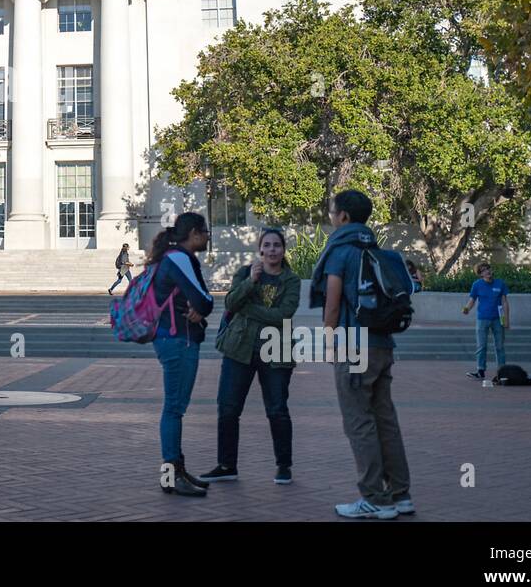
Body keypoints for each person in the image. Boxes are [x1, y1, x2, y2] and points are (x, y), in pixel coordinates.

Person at [314, 189, 414, 519]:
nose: (331, 218)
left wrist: (327, 343)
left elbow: (332, 304)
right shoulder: (375, 250)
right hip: (383, 345)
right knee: (385, 419)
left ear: (343, 216)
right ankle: (400, 495)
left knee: (359, 422)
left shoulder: (341, 252)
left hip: (353, 346)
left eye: (332, 212)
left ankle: (375, 497)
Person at [202, 227, 300, 485]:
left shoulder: (291, 281)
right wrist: (250, 282)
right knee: (228, 408)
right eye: (267, 245)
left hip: (276, 350)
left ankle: (284, 465)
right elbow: (231, 303)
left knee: (277, 410)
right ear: (260, 249)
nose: (271, 250)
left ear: (283, 249)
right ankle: (226, 465)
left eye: (276, 245)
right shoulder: (246, 273)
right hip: (239, 348)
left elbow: (283, 315)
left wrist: (249, 309)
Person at [147, 212, 215, 497]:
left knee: (175, 408)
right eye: (205, 232)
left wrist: (200, 308)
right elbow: (204, 299)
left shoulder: (174, 257)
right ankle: (171, 475)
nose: (208, 237)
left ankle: (177, 471)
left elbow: (196, 300)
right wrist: (203, 307)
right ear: (194, 234)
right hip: (178, 341)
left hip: (176, 339)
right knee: (174, 408)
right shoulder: (178, 258)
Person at [463, 262, 510, 379]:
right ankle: (480, 370)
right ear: (480, 274)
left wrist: (506, 320)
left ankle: (502, 371)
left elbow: (504, 302)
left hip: (498, 319)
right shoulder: (477, 285)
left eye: (488, 269)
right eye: (483, 271)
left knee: (499, 346)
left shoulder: (500, 283)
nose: (487, 272)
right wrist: (467, 308)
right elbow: (472, 300)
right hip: (482, 319)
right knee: (481, 346)